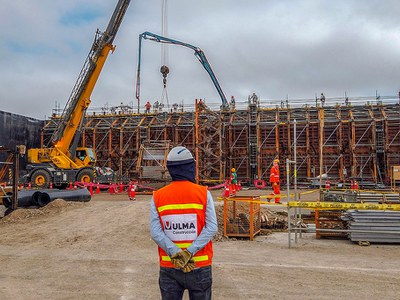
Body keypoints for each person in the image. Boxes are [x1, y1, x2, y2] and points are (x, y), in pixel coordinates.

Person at [150, 146, 218, 300]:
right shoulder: (203, 194)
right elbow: (212, 227)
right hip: (199, 265)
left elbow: (156, 232)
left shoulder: (158, 196)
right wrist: (189, 252)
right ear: (190, 167)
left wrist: (175, 253)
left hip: (170, 266)